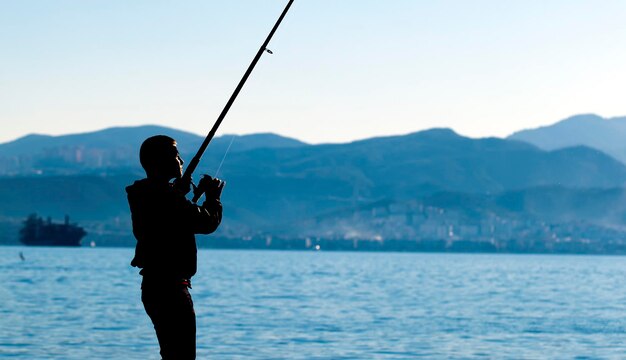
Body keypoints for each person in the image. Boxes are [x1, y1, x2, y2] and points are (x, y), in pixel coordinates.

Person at [126, 135, 223, 359]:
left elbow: (171, 218)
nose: (180, 160)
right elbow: (206, 223)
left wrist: (179, 194)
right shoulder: (166, 198)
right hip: (171, 289)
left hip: (155, 286)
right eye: (174, 155)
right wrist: (213, 199)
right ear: (158, 162)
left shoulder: (148, 194)